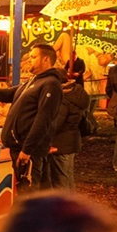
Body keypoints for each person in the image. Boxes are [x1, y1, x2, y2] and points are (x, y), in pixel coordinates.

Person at [0, 43, 65, 189]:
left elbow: (43, 120)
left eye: (33, 57)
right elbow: (10, 93)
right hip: (19, 147)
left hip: (29, 150)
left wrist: (27, 149)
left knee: (29, 191)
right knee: (29, 190)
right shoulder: (33, 80)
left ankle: (30, 212)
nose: (29, 60)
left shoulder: (51, 84)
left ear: (46, 59)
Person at [51, 57, 91, 190]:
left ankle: (64, 208)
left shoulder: (63, 98)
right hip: (72, 140)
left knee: (60, 178)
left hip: (61, 142)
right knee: (68, 176)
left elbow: (56, 123)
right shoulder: (76, 93)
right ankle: (71, 204)